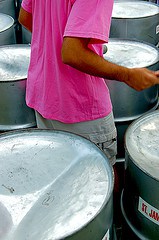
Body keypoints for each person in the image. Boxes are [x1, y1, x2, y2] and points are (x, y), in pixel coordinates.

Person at [18, 1, 159, 187]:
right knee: (101, 183)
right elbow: (72, 53)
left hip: (44, 96)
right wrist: (128, 75)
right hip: (80, 107)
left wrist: (54, 39)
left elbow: (25, 17)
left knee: (62, 181)